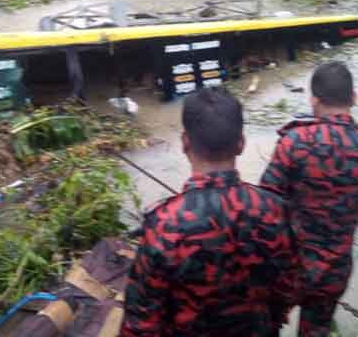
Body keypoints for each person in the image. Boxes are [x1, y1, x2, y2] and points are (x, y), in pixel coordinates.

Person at [121, 87, 299, 337]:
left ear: (184, 142)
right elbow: (287, 288)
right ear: (241, 144)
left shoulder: (163, 224)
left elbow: (140, 324)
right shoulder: (274, 210)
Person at [260, 61, 358, 337]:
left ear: (313, 100)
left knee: (266, 325)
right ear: (354, 98)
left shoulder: (294, 141)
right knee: (316, 331)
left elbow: (265, 204)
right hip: (336, 268)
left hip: (290, 266)